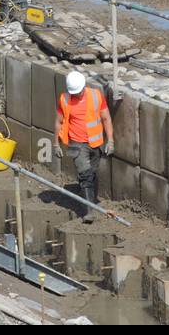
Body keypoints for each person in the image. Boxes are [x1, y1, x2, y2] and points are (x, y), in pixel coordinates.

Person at [55, 70, 114, 222]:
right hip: (76, 144)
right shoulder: (65, 99)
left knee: (92, 174)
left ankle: (90, 201)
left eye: (79, 92)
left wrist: (111, 140)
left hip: (96, 143)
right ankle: (89, 212)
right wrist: (56, 143)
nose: (77, 95)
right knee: (86, 175)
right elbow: (59, 122)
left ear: (83, 86)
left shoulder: (96, 96)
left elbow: (106, 118)